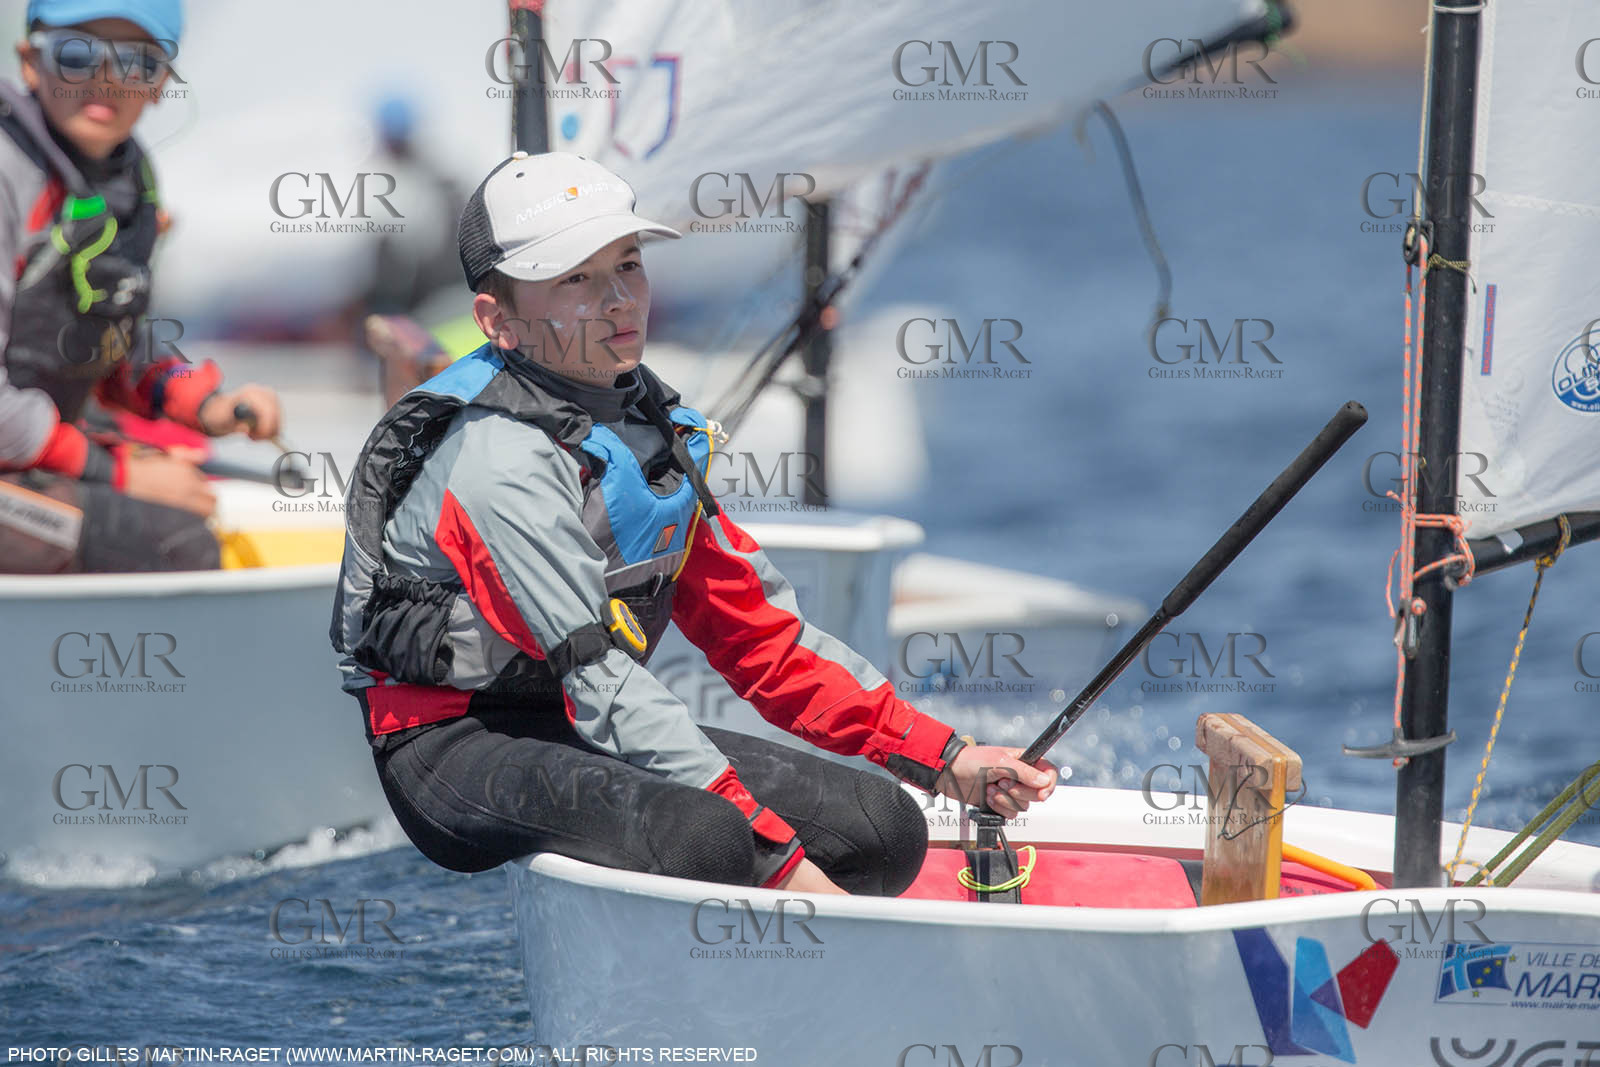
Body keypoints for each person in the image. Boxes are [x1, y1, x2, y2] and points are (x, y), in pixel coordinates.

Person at [330, 151, 1057, 894]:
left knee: (883, 828)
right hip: (452, 742)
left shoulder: (650, 428)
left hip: (578, 718)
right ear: (498, 321)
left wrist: (945, 757)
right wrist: (791, 872)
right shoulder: (497, 460)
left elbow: (762, 638)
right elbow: (599, 678)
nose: (618, 299)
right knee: (711, 840)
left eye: (628, 264)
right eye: (575, 279)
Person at [0, 0, 282, 573]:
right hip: (17, 454)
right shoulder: (9, 175)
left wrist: (205, 404)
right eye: (77, 54)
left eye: (138, 62)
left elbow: (109, 337)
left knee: (204, 495)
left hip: (27, 454)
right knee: (173, 541)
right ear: (30, 62)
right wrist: (116, 471)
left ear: (160, 85)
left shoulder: (131, 182)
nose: (107, 78)